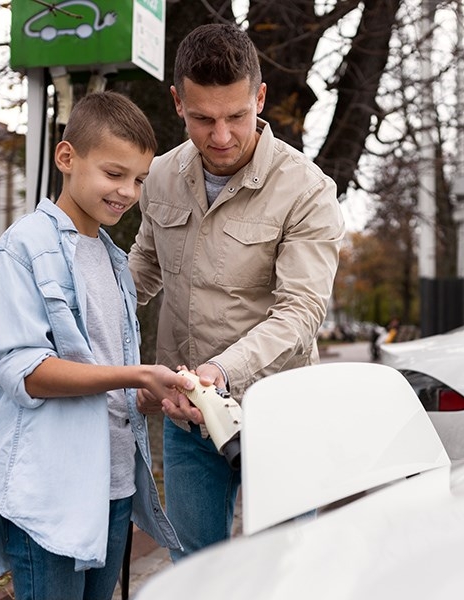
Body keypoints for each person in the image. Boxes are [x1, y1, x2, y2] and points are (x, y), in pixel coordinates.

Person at [0, 91, 194, 600]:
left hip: (115, 484)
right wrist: (135, 374)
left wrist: (145, 394)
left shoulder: (114, 261)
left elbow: (105, 371)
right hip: (51, 492)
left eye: (139, 179)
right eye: (114, 174)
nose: (128, 192)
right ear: (66, 157)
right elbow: (26, 373)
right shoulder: (20, 251)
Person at [128, 23, 345, 561]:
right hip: (189, 417)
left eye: (236, 116)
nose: (221, 136)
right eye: (203, 119)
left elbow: (301, 311)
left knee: (285, 569)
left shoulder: (308, 189)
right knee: (194, 572)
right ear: (178, 103)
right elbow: (143, 270)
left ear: (260, 98)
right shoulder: (158, 176)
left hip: (280, 412)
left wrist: (221, 372)